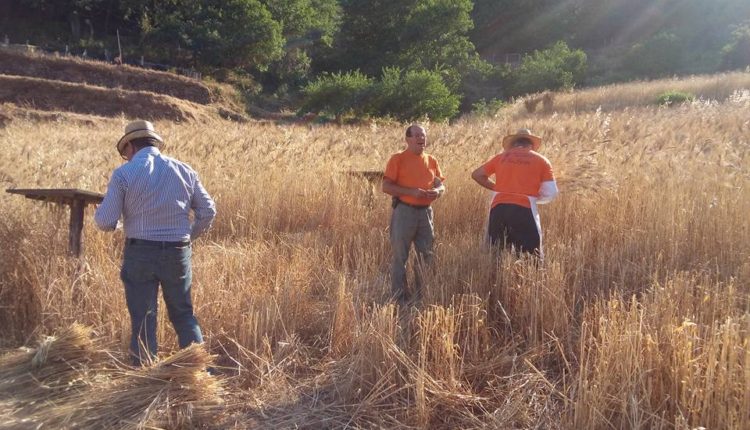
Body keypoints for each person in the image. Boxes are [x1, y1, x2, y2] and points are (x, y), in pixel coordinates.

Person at [94, 120, 216, 366]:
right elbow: (208, 210)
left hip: (140, 252)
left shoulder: (124, 174)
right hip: (177, 252)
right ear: (154, 143)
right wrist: (187, 236)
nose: (125, 156)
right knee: (183, 314)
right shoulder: (185, 170)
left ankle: (144, 377)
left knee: (143, 316)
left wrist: (121, 224)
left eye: (124, 151)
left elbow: (105, 221)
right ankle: (200, 373)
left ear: (130, 145)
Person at [382, 124, 445, 307]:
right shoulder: (398, 159)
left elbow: (440, 184)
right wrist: (411, 192)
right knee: (400, 256)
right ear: (408, 139)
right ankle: (399, 298)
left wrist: (438, 192)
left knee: (426, 255)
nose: (421, 139)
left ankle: (420, 296)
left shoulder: (432, 160)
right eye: (417, 135)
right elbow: (386, 187)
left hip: (426, 213)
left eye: (423, 136)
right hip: (404, 211)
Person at [471, 128, 558, 257]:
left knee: (497, 252)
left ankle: (495, 276)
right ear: (532, 144)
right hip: (525, 208)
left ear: (513, 143)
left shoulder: (500, 158)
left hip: (498, 208)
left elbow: (477, 174)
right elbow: (551, 192)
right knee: (530, 256)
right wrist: (535, 198)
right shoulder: (542, 160)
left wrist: (497, 188)